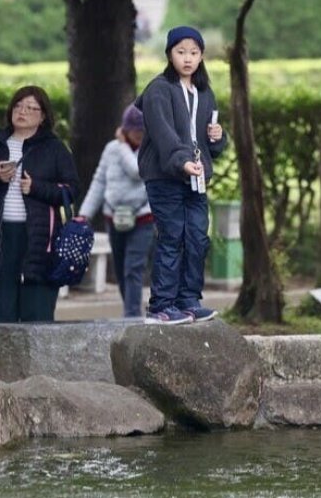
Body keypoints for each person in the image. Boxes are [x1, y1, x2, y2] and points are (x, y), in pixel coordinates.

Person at [135, 26, 227, 324]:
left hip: (196, 179)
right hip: (165, 177)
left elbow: (210, 146)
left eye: (194, 52)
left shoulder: (204, 93)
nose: (187, 58)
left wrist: (217, 137)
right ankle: (161, 305)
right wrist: (181, 161)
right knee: (172, 237)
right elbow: (163, 135)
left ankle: (189, 300)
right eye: (181, 52)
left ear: (201, 56)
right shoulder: (158, 89)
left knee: (198, 238)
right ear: (169, 54)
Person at [0, 86, 81, 323]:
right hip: (0, 236)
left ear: (43, 116)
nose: (23, 112)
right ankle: (0, 361)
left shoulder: (53, 147)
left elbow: (71, 190)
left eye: (31, 108)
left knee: (37, 312)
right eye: (18, 106)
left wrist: (36, 188)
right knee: (1, 311)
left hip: (40, 238)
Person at [78, 105, 153, 317]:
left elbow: (137, 170)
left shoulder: (151, 149)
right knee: (120, 270)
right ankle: (131, 311)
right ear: (125, 129)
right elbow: (99, 181)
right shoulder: (111, 149)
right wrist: (85, 214)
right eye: (135, 130)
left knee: (133, 268)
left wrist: (123, 145)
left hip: (143, 217)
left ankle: (131, 317)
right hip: (113, 217)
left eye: (143, 130)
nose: (139, 134)